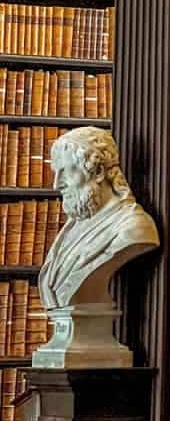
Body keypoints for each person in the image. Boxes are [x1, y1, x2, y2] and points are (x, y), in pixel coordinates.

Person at [39, 126, 159, 310]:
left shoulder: (133, 227)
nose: (57, 184)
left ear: (98, 172)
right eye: (56, 173)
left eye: (66, 171)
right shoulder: (72, 228)